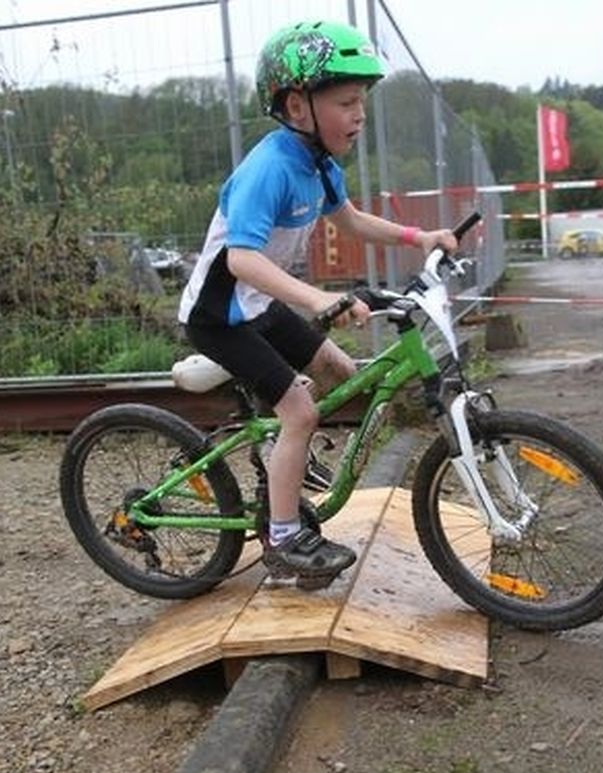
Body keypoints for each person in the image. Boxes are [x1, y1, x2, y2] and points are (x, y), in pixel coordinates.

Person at [177, 20, 458, 585]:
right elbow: (241, 261)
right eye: (347, 103)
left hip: (259, 306)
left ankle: (283, 461)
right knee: (301, 412)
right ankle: (282, 540)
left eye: (362, 102)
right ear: (296, 107)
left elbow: (349, 220)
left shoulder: (319, 165)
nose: (360, 115)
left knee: (339, 372)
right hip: (220, 317)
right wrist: (319, 298)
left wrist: (418, 237)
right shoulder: (269, 169)